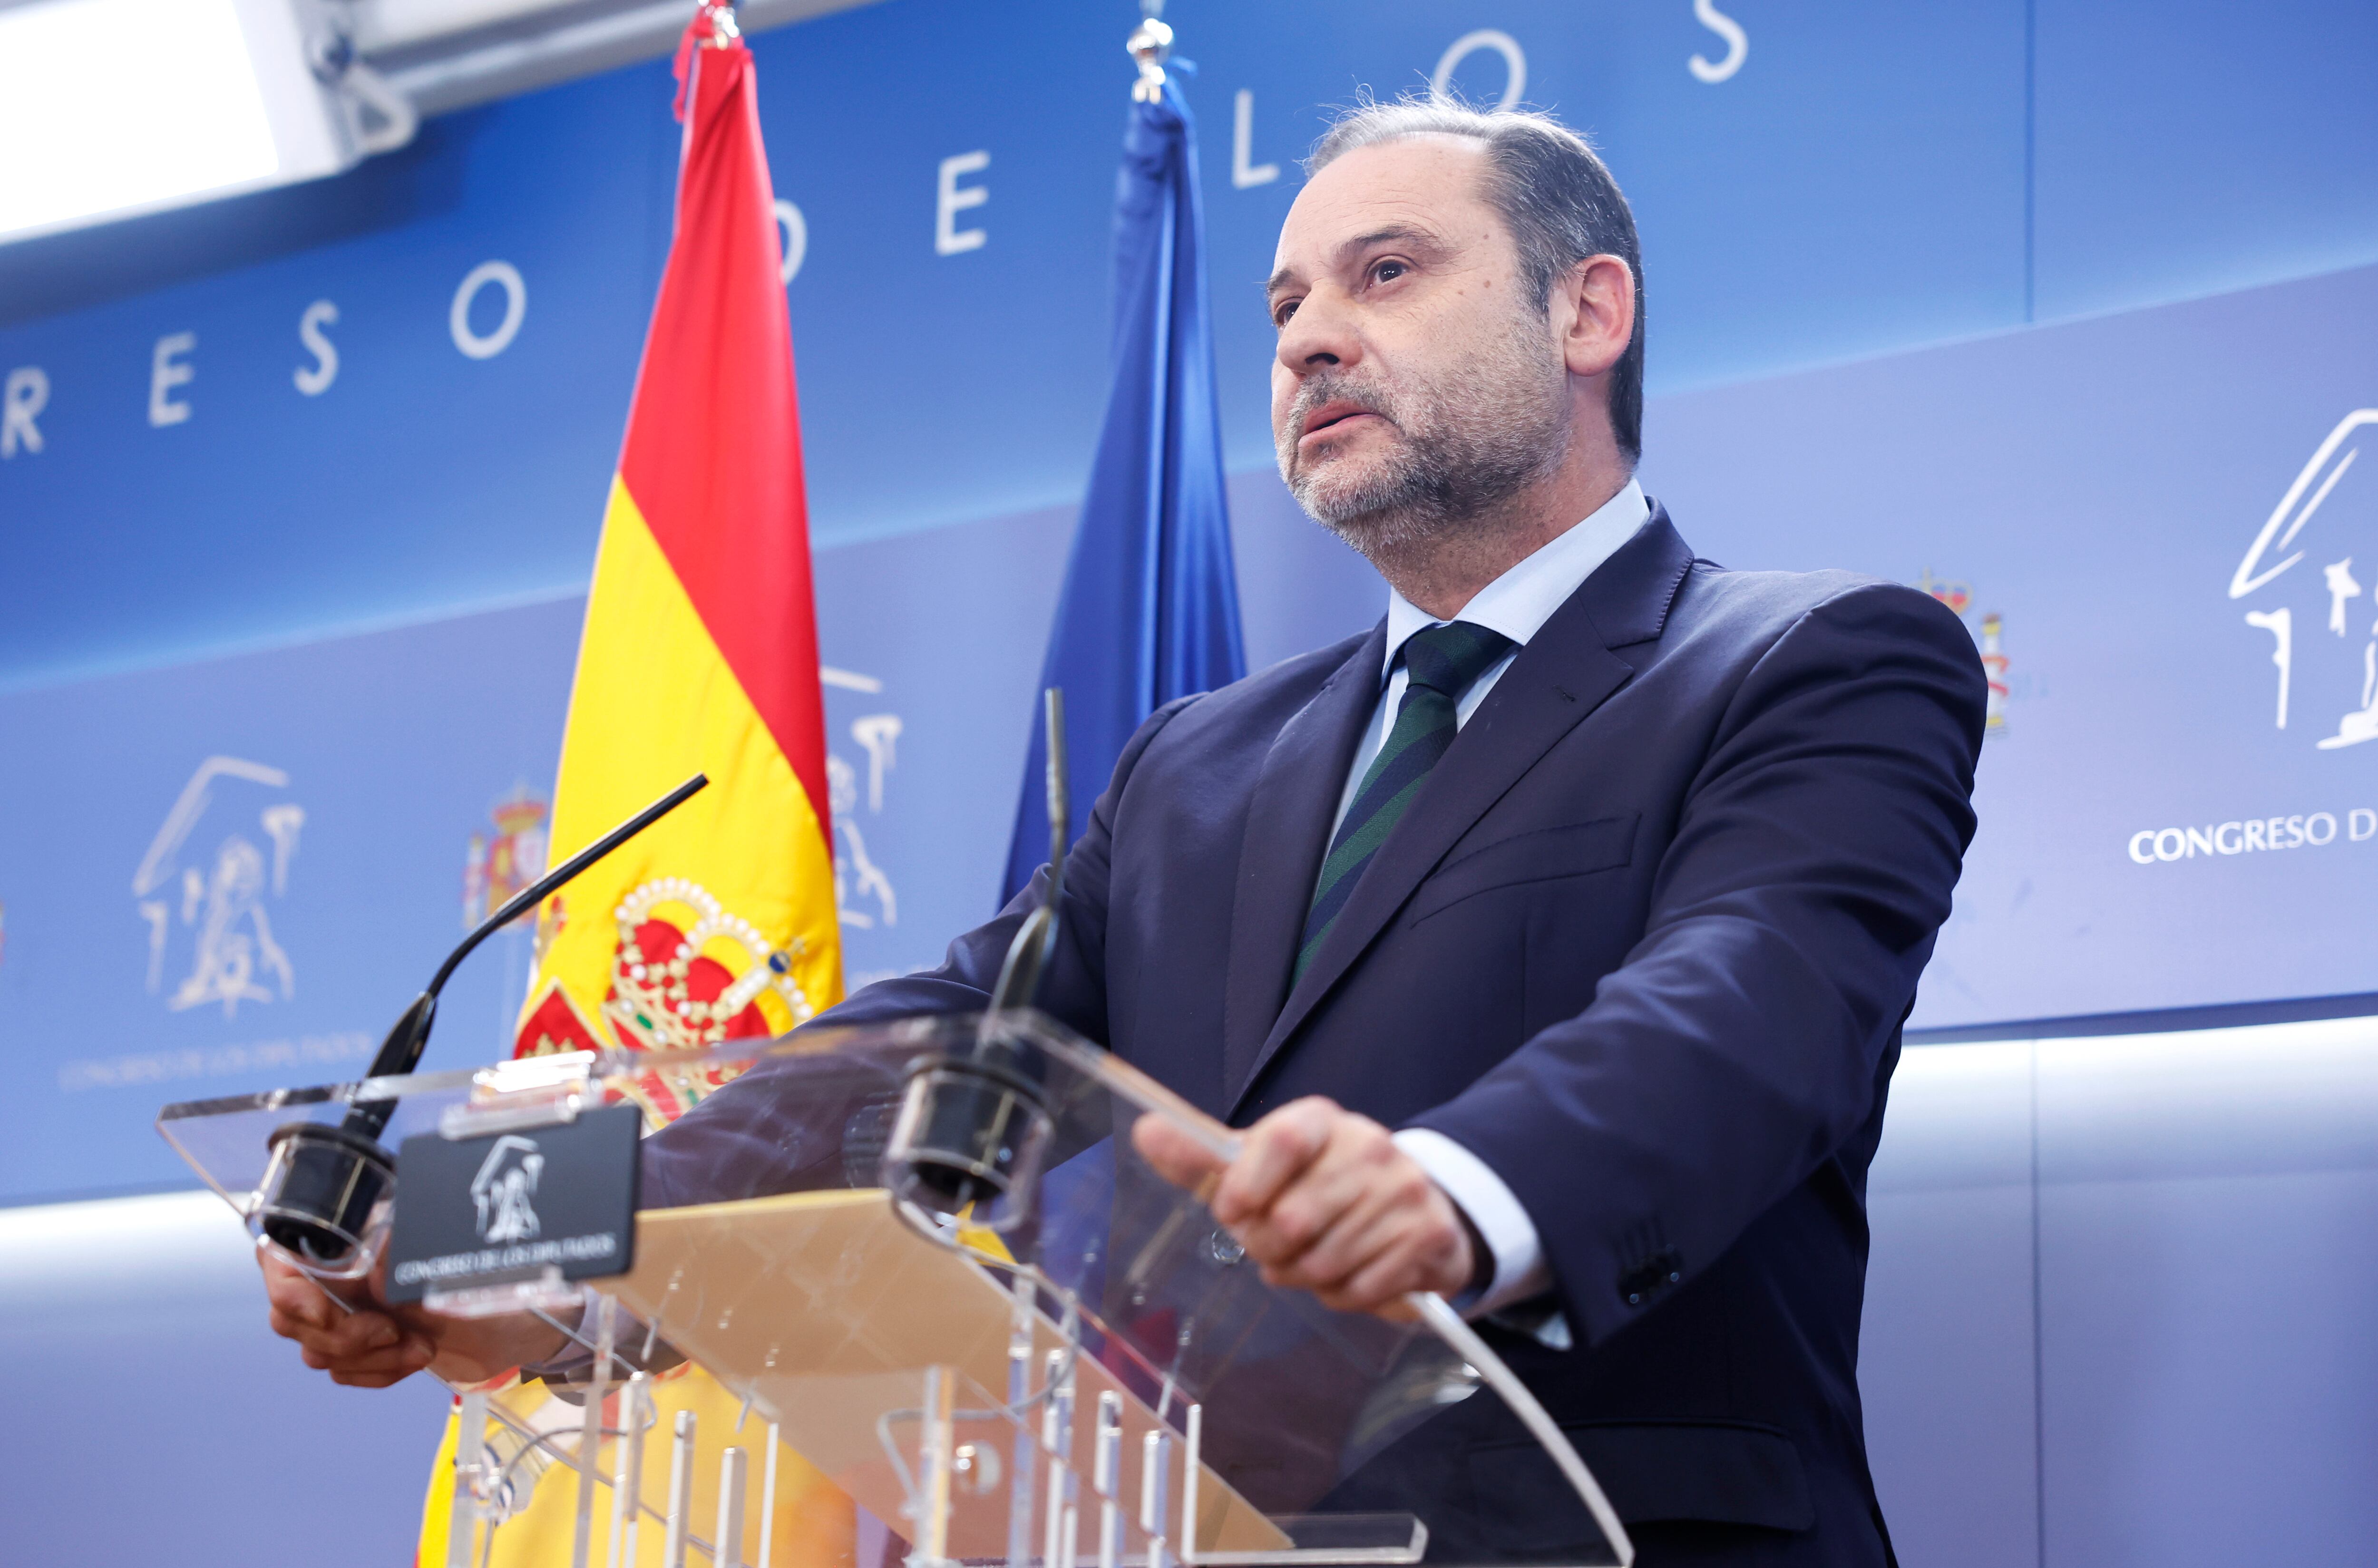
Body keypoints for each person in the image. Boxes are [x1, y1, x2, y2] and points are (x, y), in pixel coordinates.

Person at [268, 97, 1982, 1567]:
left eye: (1387, 273)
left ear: (1588, 308)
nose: (1309, 336)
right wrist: (518, 1239)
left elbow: (1748, 1004)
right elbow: (926, 1060)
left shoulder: (1818, 657)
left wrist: (1458, 1187)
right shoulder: (1195, 759)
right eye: (1288, 302)